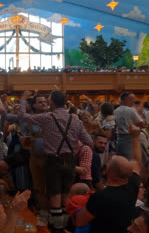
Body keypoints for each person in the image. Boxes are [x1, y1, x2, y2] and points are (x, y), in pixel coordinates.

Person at [18, 90, 93, 231]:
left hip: (54, 160)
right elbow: (88, 142)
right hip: (70, 160)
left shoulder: (48, 117)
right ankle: (67, 228)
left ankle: (56, 229)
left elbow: (22, 115)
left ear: (52, 102)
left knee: (55, 196)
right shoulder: (75, 120)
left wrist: (23, 99)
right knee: (66, 197)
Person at [75, 125, 143, 233]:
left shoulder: (99, 197)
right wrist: (135, 137)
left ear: (108, 171)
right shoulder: (132, 186)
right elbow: (137, 163)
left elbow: (80, 221)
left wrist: (77, 206)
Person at [114, 92, 145, 160]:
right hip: (130, 138)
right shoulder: (131, 110)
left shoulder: (116, 110)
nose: (134, 101)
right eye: (132, 99)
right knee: (132, 161)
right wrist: (139, 112)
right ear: (126, 99)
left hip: (119, 139)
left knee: (122, 160)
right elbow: (142, 124)